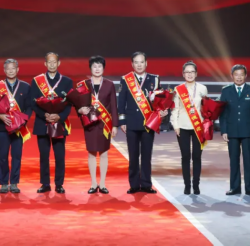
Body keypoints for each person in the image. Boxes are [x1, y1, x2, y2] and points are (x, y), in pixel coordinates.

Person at [118, 52, 168, 194]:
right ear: (132, 64)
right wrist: (123, 121)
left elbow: (160, 101)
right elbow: (121, 101)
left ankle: (146, 184)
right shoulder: (126, 79)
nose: (139, 65)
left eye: (141, 62)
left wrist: (162, 112)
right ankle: (134, 185)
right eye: (136, 62)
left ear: (146, 63)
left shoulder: (154, 79)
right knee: (133, 156)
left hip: (148, 122)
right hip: (131, 123)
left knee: (146, 155)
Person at [30, 52, 73, 194]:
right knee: (44, 155)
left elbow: (69, 104)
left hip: (59, 123)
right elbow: (33, 103)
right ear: (45, 64)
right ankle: (45, 183)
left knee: (59, 155)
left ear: (59, 63)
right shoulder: (37, 81)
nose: (52, 64)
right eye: (49, 62)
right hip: (42, 122)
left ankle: (59, 184)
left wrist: (59, 116)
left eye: (54, 62)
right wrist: (45, 115)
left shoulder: (67, 81)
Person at [76, 56, 118, 194]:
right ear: (90, 68)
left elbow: (114, 105)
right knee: (92, 153)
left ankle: (103, 184)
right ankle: (93, 183)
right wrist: (80, 110)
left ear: (103, 68)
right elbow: (78, 103)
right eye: (94, 66)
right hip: (90, 123)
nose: (97, 69)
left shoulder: (109, 84)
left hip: (105, 123)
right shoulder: (84, 84)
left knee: (104, 153)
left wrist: (115, 125)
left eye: (100, 66)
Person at [219, 64, 250, 197]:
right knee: (234, 161)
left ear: (245, 76)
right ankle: (234, 187)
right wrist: (224, 130)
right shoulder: (226, 91)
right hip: (231, 131)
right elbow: (223, 113)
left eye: (241, 75)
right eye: (236, 75)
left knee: (249, 160)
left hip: (248, 132)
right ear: (232, 76)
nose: (239, 77)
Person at [0, 59, 32, 194]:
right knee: (3, 156)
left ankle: (14, 182)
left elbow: (29, 107)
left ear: (17, 69)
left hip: (19, 128)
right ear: (4, 70)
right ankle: (3, 183)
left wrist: (23, 120)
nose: (11, 71)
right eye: (8, 68)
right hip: (3, 127)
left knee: (16, 155)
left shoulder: (25, 87)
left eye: (13, 68)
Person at [171, 60, 208, 195]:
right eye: (187, 72)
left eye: (192, 72)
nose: (190, 74)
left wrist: (206, 124)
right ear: (183, 74)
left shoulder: (202, 89)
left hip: (198, 127)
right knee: (185, 156)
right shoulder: (178, 89)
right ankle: (187, 185)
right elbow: (175, 109)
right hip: (183, 126)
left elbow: (206, 109)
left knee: (197, 156)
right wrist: (175, 126)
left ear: (196, 73)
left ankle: (196, 185)